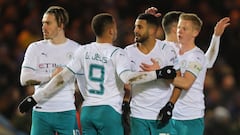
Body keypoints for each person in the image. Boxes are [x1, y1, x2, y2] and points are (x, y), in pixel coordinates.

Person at [18, 13, 176, 135]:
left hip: (87, 111)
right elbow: (129, 78)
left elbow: (61, 78)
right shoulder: (118, 53)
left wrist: (34, 98)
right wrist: (159, 73)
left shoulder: (82, 51)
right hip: (109, 112)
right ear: (111, 31)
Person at [143, 7, 230, 125]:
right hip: (169, 113)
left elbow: (208, 61)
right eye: (181, 26)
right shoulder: (163, 49)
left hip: (187, 115)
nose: (183, 30)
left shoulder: (189, 52)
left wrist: (216, 36)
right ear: (175, 28)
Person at [19, 6, 81, 135]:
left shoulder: (77, 49)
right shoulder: (35, 48)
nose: (43, 27)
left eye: (48, 23)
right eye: (43, 23)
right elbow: (24, 79)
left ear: (60, 25)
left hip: (66, 112)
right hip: (41, 113)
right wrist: (50, 76)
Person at [124, 13, 179, 135]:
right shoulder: (128, 52)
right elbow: (126, 81)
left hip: (161, 116)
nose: (135, 30)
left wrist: (170, 105)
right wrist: (126, 101)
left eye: (139, 27)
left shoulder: (167, 51)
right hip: (138, 115)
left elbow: (178, 81)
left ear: (152, 30)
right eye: (135, 27)